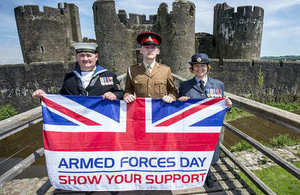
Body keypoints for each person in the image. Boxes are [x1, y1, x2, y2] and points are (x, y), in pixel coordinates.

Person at [178, 53, 232, 188]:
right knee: (194, 150)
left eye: (203, 66)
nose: (199, 69)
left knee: (209, 151)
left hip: (210, 126)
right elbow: (178, 109)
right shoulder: (184, 86)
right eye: (196, 66)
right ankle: (194, 174)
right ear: (192, 68)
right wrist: (180, 101)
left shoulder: (219, 85)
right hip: (192, 126)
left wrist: (228, 106)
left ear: (208, 67)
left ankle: (207, 174)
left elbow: (222, 107)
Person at [32, 42, 123, 100]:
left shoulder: (109, 75)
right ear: (77, 58)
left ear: (96, 57)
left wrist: (114, 95)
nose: (85, 58)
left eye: (88, 55)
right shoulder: (70, 77)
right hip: (80, 123)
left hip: (103, 120)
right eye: (82, 55)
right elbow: (62, 97)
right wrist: (45, 96)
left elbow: (120, 93)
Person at [123, 32, 177, 103]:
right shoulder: (132, 70)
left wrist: (171, 97)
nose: (150, 50)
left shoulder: (166, 70)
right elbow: (128, 90)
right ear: (141, 51)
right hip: (141, 110)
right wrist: (127, 96)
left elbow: (173, 91)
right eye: (146, 47)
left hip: (160, 110)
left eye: (153, 48)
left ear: (158, 51)